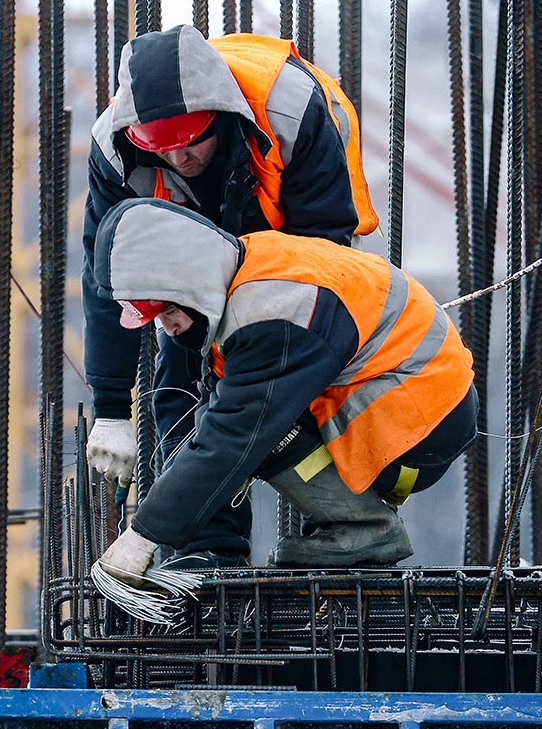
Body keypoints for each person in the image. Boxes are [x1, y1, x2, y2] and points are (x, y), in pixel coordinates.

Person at [82, 24, 379, 569]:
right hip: (192, 261)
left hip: (298, 242)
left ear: (219, 117)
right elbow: (108, 276)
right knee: (182, 387)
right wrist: (109, 406)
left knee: (293, 389)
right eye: (162, 149)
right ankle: (207, 549)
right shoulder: (114, 146)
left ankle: (345, 530)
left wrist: (251, 348)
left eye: (192, 141)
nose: (179, 159)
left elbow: (322, 260)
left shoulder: (291, 110)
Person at [89, 198, 477, 577]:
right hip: (414, 406)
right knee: (233, 424)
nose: (168, 329)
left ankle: (364, 529)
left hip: (417, 426)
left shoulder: (269, 313)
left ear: (190, 282)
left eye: (169, 311)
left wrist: (144, 535)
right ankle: (348, 523)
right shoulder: (247, 269)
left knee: (262, 436)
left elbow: (233, 436)